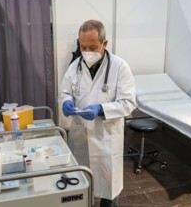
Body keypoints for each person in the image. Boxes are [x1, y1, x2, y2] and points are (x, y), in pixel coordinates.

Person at [58, 19, 136, 207]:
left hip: (106, 140)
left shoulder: (120, 67)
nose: (87, 52)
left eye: (92, 47)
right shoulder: (74, 66)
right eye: (83, 47)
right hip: (81, 137)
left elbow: (128, 103)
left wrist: (101, 109)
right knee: (82, 191)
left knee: (108, 193)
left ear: (104, 43)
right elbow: (64, 92)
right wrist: (66, 101)